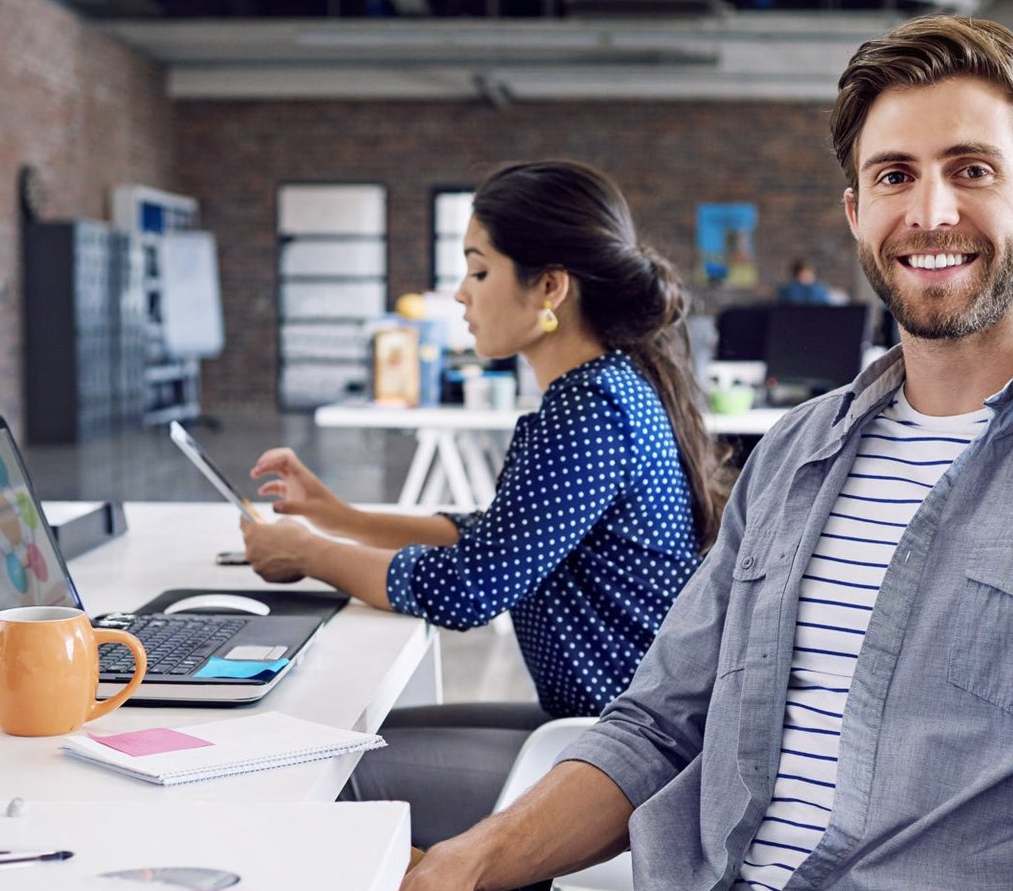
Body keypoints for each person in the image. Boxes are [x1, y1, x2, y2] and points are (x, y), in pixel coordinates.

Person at [354, 15, 1013, 891]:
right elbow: (658, 725)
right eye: (894, 176)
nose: (929, 210)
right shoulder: (797, 453)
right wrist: (465, 861)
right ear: (854, 210)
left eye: (970, 169)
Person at [240, 159, 729, 849]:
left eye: (478, 270)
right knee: (358, 739)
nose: (460, 295)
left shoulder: (590, 411)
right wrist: (334, 514)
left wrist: (309, 552)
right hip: (609, 727)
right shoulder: (602, 389)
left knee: (332, 771)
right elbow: (499, 537)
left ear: (549, 287)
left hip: (625, 759)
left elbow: (467, 589)